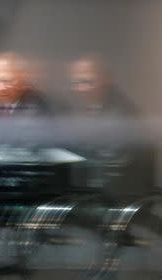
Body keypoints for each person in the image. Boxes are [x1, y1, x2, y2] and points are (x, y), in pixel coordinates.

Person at [67, 54, 154, 194]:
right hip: (97, 183)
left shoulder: (122, 114)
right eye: (75, 83)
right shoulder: (89, 108)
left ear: (105, 80)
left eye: (87, 81)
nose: (80, 88)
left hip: (119, 190)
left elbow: (112, 162)